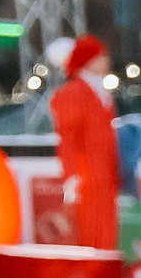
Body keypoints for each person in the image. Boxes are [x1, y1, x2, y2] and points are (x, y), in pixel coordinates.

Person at [47, 34, 121, 251]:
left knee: (105, 235)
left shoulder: (100, 93)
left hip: (104, 177)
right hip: (88, 179)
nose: (106, 60)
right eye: (100, 56)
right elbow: (67, 138)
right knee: (92, 236)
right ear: (87, 61)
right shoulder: (73, 93)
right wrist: (71, 176)